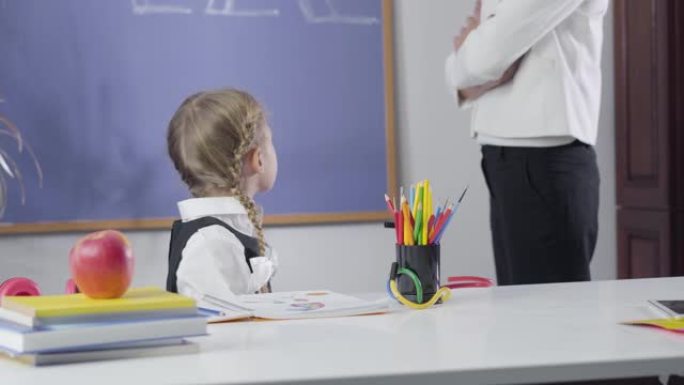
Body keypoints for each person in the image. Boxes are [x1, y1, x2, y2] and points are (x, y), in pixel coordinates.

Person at [445, 0, 609, 285]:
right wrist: (469, 67)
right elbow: (484, 58)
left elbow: (491, 51)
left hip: (542, 160)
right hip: (513, 157)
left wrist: (466, 62)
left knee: (549, 320)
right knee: (522, 317)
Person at [165, 88, 279, 300]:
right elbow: (219, 328)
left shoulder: (229, 233)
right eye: (270, 141)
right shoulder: (210, 244)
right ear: (259, 159)